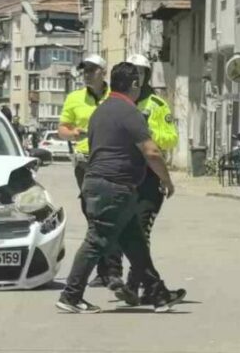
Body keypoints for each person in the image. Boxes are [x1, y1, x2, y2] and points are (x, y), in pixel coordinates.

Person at [56, 62, 186, 314]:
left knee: (134, 242)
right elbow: (151, 150)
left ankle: (158, 293)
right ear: (134, 85)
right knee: (96, 241)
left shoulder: (100, 112)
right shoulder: (129, 112)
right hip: (113, 187)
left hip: (102, 185)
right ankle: (71, 295)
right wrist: (167, 180)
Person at [95, 53, 180, 292]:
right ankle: (113, 274)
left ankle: (136, 283)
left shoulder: (157, 104)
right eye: (134, 72)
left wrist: (146, 130)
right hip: (121, 173)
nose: (137, 77)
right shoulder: (115, 102)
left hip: (148, 175)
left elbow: (171, 138)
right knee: (115, 227)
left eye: (142, 72)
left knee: (141, 231)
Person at [58, 54, 110, 216]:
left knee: (109, 204)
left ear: (103, 72)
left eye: (92, 70)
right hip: (84, 161)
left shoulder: (115, 97)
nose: (87, 74)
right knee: (89, 206)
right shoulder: (74, 98)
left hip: (110, 159)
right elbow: (62, 130)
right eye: (85, 71)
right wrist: (73, 134)